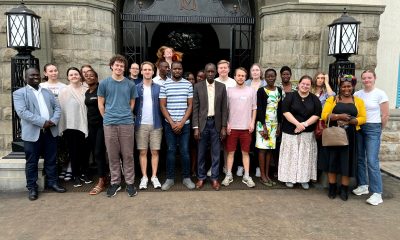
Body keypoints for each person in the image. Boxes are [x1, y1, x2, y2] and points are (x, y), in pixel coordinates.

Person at [13, 68, 66, 200]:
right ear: (26, 78)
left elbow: (57, 108)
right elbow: (22, 112)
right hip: (32, 133)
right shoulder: (19, 93)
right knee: (32, 162)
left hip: (50, 131)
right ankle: (32, 187)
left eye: (37, 74)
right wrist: (43, 122)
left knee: (51, 159)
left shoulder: (47, 92)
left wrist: (53, 121)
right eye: (32, 75)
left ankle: (52, 182)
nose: (35, 77)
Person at [98, 54, 138, 197]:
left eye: (122, 65)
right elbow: (100, 104)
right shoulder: (104, 83)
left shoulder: (130, 84)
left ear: (124, 68)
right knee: (112, 155)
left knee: (128, 155)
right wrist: (107, 118)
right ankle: (115, 182)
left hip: (127, 123)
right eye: (117, 65)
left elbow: (132, 103)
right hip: (109, 123)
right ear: (111, 66)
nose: (119, 67)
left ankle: (130, 183)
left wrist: (125, 114)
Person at [320, 75, 366, 201]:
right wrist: (338, 116)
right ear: (340, 87)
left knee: (347, 163)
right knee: (332, 162)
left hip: (350, 135)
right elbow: (324, 115)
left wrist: (352, 121)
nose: (346, 89)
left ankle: (344, 189)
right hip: (334, 135)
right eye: (344, 86)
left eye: (349, 86)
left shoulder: (358, 101)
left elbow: (363, 117)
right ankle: (332, 187)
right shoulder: (333, 99)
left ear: (353, 87)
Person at [353, 70, 389, 206]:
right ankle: (363, 185)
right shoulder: (358, 94)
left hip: (373, 127)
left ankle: (377, 193)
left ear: (374, 78)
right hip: (359, 127)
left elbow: (385, 115)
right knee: (360, 158)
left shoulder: (380, 94)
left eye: (369, 77)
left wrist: (380, 129)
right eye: (364, 78)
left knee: (372, 160)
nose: (367, 80)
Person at [278, 75, 321, 189]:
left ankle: (304, 179)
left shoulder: (314, 99)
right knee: (291, 155)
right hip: (290, 131)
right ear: (299, 84)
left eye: (308, 84)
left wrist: (304, 125)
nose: (305, 86)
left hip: (307, 133)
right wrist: (297, 124)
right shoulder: (290, 96)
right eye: (303, 84)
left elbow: (317, 114)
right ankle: (289, 178)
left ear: (310, 86)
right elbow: (285, 111)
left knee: (305, 156)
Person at [159, 61, 195, 191]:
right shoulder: (164, 85)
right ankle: (170, 178)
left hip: (184, 125)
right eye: (175, 69)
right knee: (171, 151)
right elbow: (162, 105)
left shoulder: (188, 85)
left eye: (179, 68)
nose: (177, 71)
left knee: (185, 151)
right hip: (169, 124)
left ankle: (186, 178)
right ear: (171, 70)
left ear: (182, 69)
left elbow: (190, 105)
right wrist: (173, 122)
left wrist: (181, 122)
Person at [192, 63, 228, 191]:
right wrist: (195, 127)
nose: (211, 74)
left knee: (216, 153)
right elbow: (195, 108)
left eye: (213, 72)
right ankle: (201, 177)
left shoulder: (222, 87)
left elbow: (224, 108)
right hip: (202, 124)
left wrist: (224, 126)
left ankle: (214, 178)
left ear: (215, 73)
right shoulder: (197, 87)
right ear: (205, 72)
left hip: (216, 124)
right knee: (201, 152)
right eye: (208, 72)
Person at [222, 67, 257, 188]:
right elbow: (225, 109)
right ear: (235, 77)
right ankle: (228, 174)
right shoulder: (229, 91)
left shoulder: (251, 91)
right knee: (230, 152)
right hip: (232, 127)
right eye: (238, 75)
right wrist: (227, 123)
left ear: (246, 77)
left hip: (246, 128)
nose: (240, 77)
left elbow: (254, 108)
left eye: (243, 75)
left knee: (245, 153)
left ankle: (246, 175)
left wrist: (252, 122)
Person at [58, 67, 90, 187]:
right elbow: (61, 110)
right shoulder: (64, 91)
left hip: (85, 124)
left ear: (80, 75)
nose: (74, 76)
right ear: (68, 77)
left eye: (76, 74)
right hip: (71, 126)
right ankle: (75, 175)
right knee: (74, 152)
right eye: (71, 75)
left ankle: (85, 173)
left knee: (85, 152)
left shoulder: (86, 89)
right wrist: (62, 126)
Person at [134, 62, 163, 190]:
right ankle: (144, 177)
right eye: (144, 69)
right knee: (143, 151)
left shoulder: (159, 87)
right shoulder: (135, 87)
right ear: (141, 71)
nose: (147, 71)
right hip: (141, 125)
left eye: (149, 69)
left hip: (156, 124)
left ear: (153, 72)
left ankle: (154, 176)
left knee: (155, 151)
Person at [39, 63, 70, 180]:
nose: (53, 73)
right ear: (45, 73)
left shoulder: (64, 86)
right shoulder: (41, 86)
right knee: (48, 150)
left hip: (61, 120)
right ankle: (50, 175)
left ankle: (64, 169)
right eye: (50, 71)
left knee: (63, 147)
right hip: (45, 123)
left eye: (55, 70)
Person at [256, 68, 283, 186]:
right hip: (263, 124)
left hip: (274, 124)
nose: (271, 78)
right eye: (268, 76)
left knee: (270, 150)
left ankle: (267, 174)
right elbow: (260, 109)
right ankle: (262, 176)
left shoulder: (279, 90)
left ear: (276, 76)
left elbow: (280, 109)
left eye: (273, 76)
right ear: (265, 78)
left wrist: (279, 126)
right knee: (262, 149)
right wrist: (264, 127)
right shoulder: (261, 91)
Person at [85, 69, 108, 195]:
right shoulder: (87, 92)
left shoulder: (101, 89)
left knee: (99, 152)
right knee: (95, 152)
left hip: (102, 125)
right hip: (91, 126)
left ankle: (101, 180)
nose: (89, 77)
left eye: (92, 76)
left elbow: (105, 106)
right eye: (87, 76)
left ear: (96, 77)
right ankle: (104, 176)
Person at [242, 63, 267, 178]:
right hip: (246, 115)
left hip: (261, 116)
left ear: (260, 72)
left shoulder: (265, 84)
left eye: (257, 70)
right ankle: (241, 166)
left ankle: (257, 167)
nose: (255, 72)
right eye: (253, 70)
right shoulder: (246, 83)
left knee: (258, 142)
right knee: (246, 142)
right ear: (250, 72)